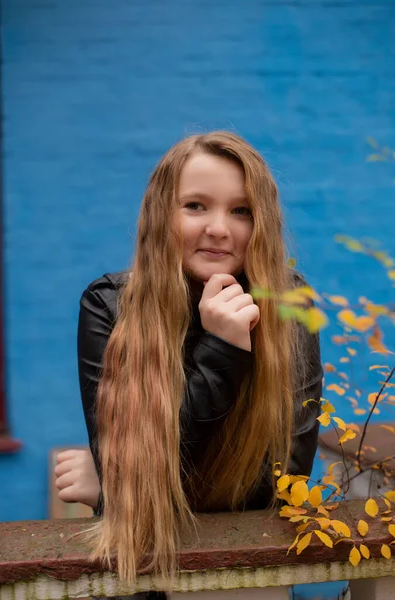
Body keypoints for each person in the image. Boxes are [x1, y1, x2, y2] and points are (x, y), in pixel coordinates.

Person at [55, 131, 323, 598]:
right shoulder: (110, 307)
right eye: (195, 206)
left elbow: (277, 486)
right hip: (144, 581)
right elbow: (133, 497)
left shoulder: (286, 309)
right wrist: (223, 351)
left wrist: (113, 481)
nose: (219, 227)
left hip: (244, 584)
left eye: (241, 210)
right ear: (162, 214)